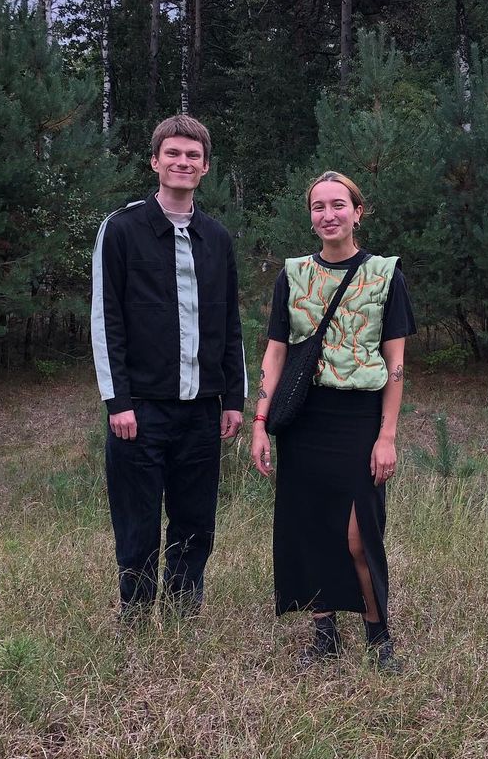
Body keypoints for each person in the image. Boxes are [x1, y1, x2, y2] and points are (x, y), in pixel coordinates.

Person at [251, 171, 416, 671]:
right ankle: (324, 633)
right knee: (311, 526)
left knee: (357, 535)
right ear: (311, 217)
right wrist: (260, 421)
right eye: (318, 207)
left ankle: (378, 636)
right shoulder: (293, 275)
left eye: (338, 205)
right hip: (305, 418)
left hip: (359, 418)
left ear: (357, 212)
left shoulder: (385, 275)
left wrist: (387, 435)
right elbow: (276, 350)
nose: (329, 215)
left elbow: (395, 362)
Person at [91, 115, 246, 620]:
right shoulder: (122, 229)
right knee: (137, 521)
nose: (183, 162)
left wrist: (234, 398)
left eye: (192, 155)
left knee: (195, 521)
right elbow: (105, 318)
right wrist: (118, 401)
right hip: (139, 410)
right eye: (173, 154)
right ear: (155, 162)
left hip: (202, 410)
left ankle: (182, 614)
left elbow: (229, 322)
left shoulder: (216, 237)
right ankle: (136, 616)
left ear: (205, 167)